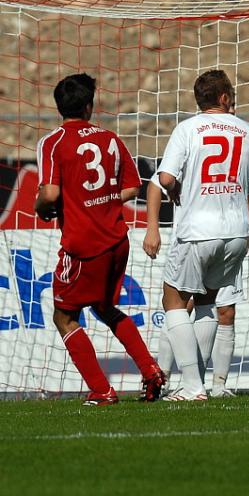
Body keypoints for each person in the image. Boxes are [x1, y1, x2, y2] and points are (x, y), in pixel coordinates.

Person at [35, 73, 165, 406]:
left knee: (64, 317)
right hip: (116, 240)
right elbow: (132, 187)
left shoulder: (53, 142)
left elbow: (50, 194)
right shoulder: (110, 139)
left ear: (59, 106)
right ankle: (150, 371)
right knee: (105, 307)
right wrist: (101, 201)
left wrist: (43, 207)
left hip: (84, 245)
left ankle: (102, 390)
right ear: (89, 106)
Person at [145, 69, 249, 401]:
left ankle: (193, 386)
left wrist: (175, 189)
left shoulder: (187, 129)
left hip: (199, 229)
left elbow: (164, 179)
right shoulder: (247, 130)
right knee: (209, 302)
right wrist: (247, 232)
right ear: (224, 98)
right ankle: (199, 383)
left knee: (173, 300)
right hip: (237, 230)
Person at [144, 179, 243, 398]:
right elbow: (158, 182)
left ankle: (214, 386)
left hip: (229, 237)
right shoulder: (188, 156)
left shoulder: (242, 157)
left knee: (225, 310)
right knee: (181, 306)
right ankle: (164, 380)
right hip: (193, 238)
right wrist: (153, 229)